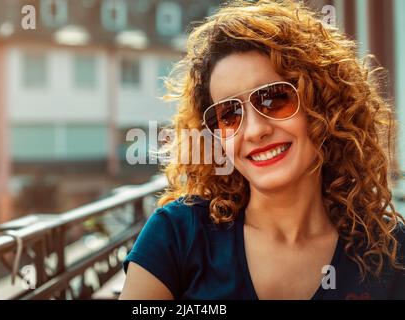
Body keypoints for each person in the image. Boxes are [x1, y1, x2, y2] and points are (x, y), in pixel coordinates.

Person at [119, 0, 405, 299]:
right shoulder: (177, 235)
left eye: (274, 99)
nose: (255, 130)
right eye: (229, 114)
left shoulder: (392, 254)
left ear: (323, 106)